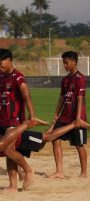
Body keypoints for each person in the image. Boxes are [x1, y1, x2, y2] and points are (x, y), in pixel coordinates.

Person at [0, 48, 36, 190]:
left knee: (9, 150)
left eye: (1, 62)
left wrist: (32, 115)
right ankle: (12, 185)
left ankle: (28, 169)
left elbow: (27, 97)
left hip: (15, 120)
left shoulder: (18, 77)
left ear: (9, 60)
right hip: (3, 120)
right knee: (6, 151)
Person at [48, 51, 88, 179]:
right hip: (64, 117)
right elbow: (61, 98)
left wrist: (77, 118)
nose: (64, 65)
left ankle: (84, 172)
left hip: (76, 118)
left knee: (79, 145)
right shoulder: (65, 80)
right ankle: (59, 171)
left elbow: (80, 98)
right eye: (63, 63)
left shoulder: (80, 79)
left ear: (74, 62)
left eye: (66, 63)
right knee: (55, 139)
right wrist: (56, 114)